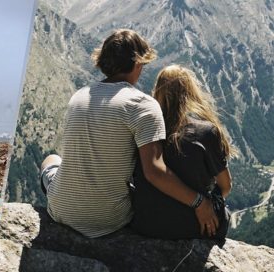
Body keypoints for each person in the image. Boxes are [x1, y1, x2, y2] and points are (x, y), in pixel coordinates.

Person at [40, 29, 219, 238]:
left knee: (51, 159)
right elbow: (155, 171)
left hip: (60, 210)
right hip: (109, 219)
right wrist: (200, 202)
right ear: (137, 64)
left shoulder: (77, 97)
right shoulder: (142, 105)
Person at [130, 64, 233, 240]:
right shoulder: (206, 132)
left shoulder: (144, 128)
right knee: (226, 214)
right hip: (196, 226)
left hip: (147, 224)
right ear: (191, 92)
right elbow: (225, 186)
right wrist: (204, 202)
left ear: (158, 92)